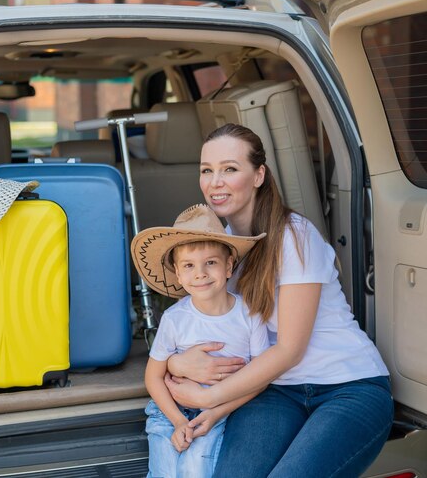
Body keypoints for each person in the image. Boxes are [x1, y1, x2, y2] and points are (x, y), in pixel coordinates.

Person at [164, 123, 394, 478]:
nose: (215, 182)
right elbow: (206, 325)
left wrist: (212, 399)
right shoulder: (219, 251)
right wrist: (178, 364)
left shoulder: (294, 236)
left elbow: (290, 350)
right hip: (275, 391)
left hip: (348, 387)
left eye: (229, 169)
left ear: (259, 175)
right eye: (206, 171)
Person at [130, 203, 270, 478]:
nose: (200, 273)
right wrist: (179, 420)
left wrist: (217, 412)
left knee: (196, 470)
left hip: (219, 412)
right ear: (178, 274)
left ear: (229, 266)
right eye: (189, 266)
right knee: (165, 472)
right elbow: (154, 377)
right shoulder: (174, 319)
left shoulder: (250, 314)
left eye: (211, 263)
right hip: (169, 412)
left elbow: (261, 377)